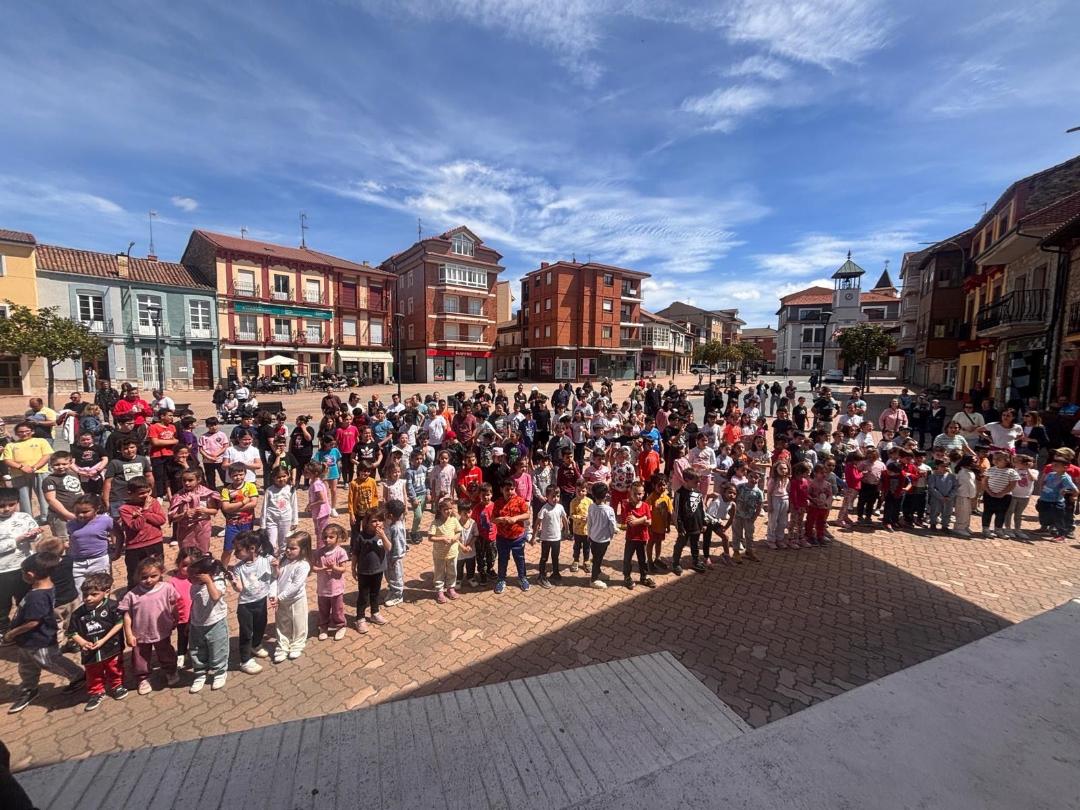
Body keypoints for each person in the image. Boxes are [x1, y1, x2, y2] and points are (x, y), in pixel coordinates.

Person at [4, 552, 86, 714]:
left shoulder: (38, 597)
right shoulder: (44, 587)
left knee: (51, 661)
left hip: (39, 640)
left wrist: (12, 633)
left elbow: (34, 622)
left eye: (22, 572)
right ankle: (29, 688)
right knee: (26, 666)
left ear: (30, 574)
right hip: (27, 641)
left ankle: (78, 676)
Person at [66, 571, 127, 711]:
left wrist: (104, 640)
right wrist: (82, 643)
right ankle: (96, 692)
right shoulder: (78, 614)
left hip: (111, 647)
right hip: (90, 652)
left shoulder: (112, 606)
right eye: (85, 595)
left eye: (94, 594)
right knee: (93, 672)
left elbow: (119, 623)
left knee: (114, 667)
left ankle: (117, 685)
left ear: (106, 592)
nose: (88, 598)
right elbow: (72, 632)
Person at [119, 556, 180, 695]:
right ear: (138, 576)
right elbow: (127, 616)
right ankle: (143, 678)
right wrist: (128, 634)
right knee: (140, 658)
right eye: (144, 577)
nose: (149, 580)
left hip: (161, 630)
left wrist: (176, 618)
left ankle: (170, 671)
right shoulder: (132, 595)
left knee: (166, 652)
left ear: (161, 573)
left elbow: (173, 605)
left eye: (153, 576)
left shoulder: (167, 588)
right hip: (140, 633)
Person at [228, 530, 274, 675]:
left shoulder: (265, 559)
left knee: (261, 625)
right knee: (246, 632)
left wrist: (277, 565)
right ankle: (245, 660)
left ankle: (256, 644)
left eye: (238, 550)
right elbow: (240, 589)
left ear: (252, 549)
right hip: (246, 606)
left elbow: (276, 572)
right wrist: (234, 582)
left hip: (261, 601)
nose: (235, 553)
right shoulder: (238, 568)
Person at [116, 477, 166, 590]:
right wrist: (146, 510)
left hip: (155, 542)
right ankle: (133, 599)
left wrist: (145, 513)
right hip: (135, 546)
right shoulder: (125, 509)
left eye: (148, 492)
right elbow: (136, 526)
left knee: (156, 570)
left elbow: (161, 520)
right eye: (141, 493)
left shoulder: (153, 502)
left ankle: (159, 594)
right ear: (130, 493)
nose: (146, 495)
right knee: (135, 574)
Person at [270, 530, 312, 662]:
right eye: (287, 547)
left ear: (303, 549)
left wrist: (280, 597)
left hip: (296, 600)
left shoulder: (303, 565)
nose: (288, 550)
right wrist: (275, 569)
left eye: (293, 548)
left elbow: (296, 586)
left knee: (299, 623)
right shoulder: (284, 560)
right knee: (282, 623)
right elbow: (275, 578)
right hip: (280, 600)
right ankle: (282, 645)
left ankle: (297, 644)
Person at [2, 422, 52, 520]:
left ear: (32, 431)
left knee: (44, 495)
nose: (24, 434)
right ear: (16, 433)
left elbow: (46, 456)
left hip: (40, 472)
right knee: (23, 498)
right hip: (18, 474)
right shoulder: (10, 445)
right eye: (20, 432)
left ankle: (46, 517)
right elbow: (7, 460)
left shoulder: (41, 441)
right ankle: (27, 518)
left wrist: (34, 467)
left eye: (27, 431)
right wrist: (21, 467)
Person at [351, 508, 389, 632]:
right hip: (364, 571)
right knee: (363, 596)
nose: (377, 523)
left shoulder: (382, 534)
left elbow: (389, 547)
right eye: (373, 521)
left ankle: (375, 613)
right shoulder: (361, 536)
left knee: (375, 593)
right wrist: (353, 568)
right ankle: (360, 619)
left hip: (378, 570)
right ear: (366, 523)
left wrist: (383, 536)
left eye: (380, 520)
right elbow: (355, 553)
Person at [65, 495, 113, 593]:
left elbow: (118, 534)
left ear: (97, 509)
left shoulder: (105, 520)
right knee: (79, 591)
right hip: (78, 563)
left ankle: (103, 608)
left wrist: (116, 549)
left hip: (99, 560)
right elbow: (73, 539)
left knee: (100, 589)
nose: (81, 515)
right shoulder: (71, 524)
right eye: (77, 512)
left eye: (85, 512)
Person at [313, 524, 349, 640]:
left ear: (337, 538)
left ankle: (340, 626)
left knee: (337, 609)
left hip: (336, 588)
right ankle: (323, 627)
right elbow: (313, 567)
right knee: (323, 609)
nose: (327, 540)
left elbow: (343, 569)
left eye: (331, 537)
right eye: (325, 537)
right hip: (323, 588)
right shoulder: (319, 552)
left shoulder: (340, 552)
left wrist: (334, 567)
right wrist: (319, 569)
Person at [1036, 457, 1077, 543]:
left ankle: (1061, 536)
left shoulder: (1065, 478)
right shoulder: (1051, 474)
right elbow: (1044, 482)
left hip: (1055, 502)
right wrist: (1042, 488)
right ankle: (1046, 530)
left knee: (1058, 519)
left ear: (1065, 467)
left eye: (1056, 465)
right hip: (1044, 499)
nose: (1053, 466)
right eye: (1053, 464)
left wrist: (1071, 495)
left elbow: (1075, 490)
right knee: (1043, 517)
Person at [622, 482, 655, 589]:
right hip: (631, 538)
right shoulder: (627, 506)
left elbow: (650, 522)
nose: (638, 496)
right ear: (630, 493)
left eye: (640, 494)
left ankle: (644, 576)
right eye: (635, 494)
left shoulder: (645, 506)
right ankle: (627, 577)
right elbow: (631, 523)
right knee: (628, 558)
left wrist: (640, 520)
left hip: (643, 537)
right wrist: (644, 519)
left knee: (643, 559)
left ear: (644, 493)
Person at [585, 482, 617, 587]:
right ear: (606, 495)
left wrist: (589, 534)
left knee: (596, 557)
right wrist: (612, 534)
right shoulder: (609, 510)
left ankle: (597, 572)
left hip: (593, 538)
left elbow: (589, 522)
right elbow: (612, 525)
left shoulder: (591, 507)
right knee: (598, 559)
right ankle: (593, 579)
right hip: (603, 540)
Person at [260, 467, 299, 553]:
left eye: (284, 476)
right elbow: (264, 507)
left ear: (288, 475)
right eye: (278, 477)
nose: (281, 479)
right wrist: (263, 524)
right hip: (271, 520)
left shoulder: (291, 489)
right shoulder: (269, 490)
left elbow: (294, 505)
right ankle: (271, 562)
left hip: (286, 519)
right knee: (271, 543)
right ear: (273, 478)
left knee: (284, 543)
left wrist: (295, 521)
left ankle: (282, 562)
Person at [981, 452, 1018, 538]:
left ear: (1007, 460)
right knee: (987, 512)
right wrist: (989, 492)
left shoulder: (1011, 472)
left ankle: (998, 529)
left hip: (1005, 496)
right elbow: (984, 481)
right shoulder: (990, 469)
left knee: (1001, 513)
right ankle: (985, 529)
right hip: (989, 495)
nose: (996, 461)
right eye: (994, 459)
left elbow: (1012, 485)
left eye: (999, 459)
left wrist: (1002, 493)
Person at [927, 460, 956, 532]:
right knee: (935, 511)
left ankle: (945, 526)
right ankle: (933, 524)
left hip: (948, 498)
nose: (945, 468)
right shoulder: (933, 476)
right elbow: (932, 488)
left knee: (947, 512)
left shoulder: (951, 476)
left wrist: (950, 496)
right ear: (937, 466)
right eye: (942, 466)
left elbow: (955, 487)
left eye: (946, 466)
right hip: (936, 498)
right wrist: (940, 497)